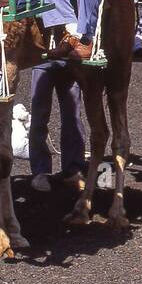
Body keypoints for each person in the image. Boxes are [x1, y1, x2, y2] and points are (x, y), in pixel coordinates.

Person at [27, 61, 86, 191]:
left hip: (70, 62)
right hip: (42, 61)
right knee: (39, 116)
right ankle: (40, 171)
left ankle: (73, 169)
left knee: (73, 116)